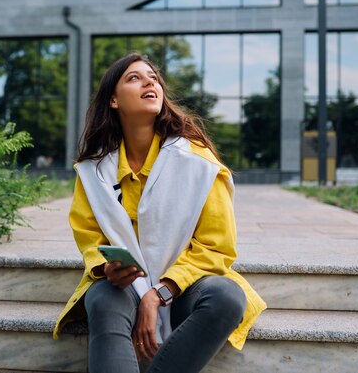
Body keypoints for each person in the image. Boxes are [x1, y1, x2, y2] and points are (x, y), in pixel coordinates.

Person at [53, 53, 266, 372]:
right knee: (100, 298)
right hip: (124, 287)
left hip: (185, 287)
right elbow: (90, 239)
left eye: (153, 77)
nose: (150, 81)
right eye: (134, 78)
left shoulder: (198, 162)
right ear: (113, 100)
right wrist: (106, 267)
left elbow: (216, 246)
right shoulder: (94, 171)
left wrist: (159, 292)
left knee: (227, 297)